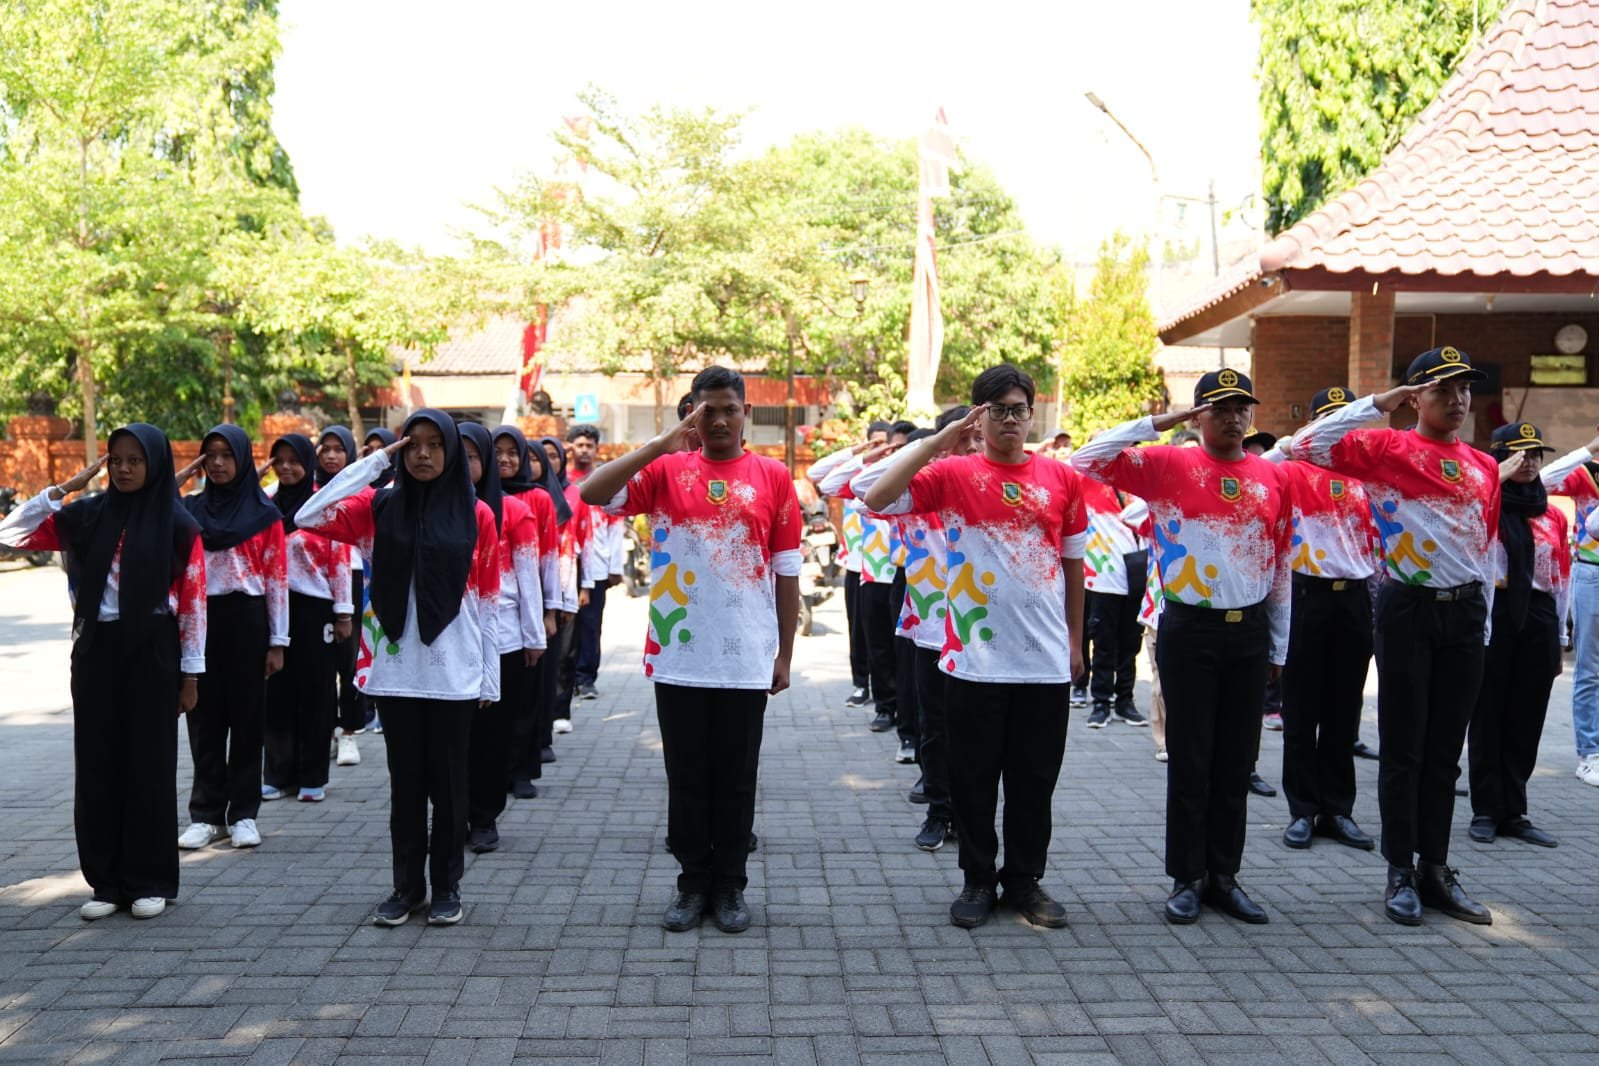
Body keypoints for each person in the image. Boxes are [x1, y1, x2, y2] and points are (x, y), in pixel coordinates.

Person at [863, 365, 1086, 930]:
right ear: (978, 415)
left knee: (1034, 782)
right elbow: (876, 496)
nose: (1009, 420)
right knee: (972, 778)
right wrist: (941, 441)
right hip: (972, 662)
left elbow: (1073, 565)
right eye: (997, 410)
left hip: (1043, 662)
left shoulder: (1062, 479)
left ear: (1031, 415)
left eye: (1018, 409)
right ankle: (978, 880)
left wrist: (1076, 641)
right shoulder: (953, 474)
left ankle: (1025, 883)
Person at [579, 366, 801, 934]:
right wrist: (658, 445)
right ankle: (691, 883)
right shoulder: (666, 471)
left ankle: (729, 885)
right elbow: (592, 492)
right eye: (707, 410)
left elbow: (786, 571)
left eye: (729, 408)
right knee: (687, 776)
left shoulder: (773, 477)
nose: (719, 419)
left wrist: (783, 656)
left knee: (735, 776)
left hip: (746, 656)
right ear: (691, 414)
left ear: (745, 412)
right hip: (679, 653)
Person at [1287, 346, 1499, 927]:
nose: (1456, 400)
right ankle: (1400, 870)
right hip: (1407, 608)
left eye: (1463, 390)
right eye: (1441, 390)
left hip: (1465, 614)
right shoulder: (1388, 448)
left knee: (1443, 753)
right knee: (1404, 749)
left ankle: (1436, 867)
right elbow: (1306, 445)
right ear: (1414, 397)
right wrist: (1375, 405)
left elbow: (1484, 545)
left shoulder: (1483, 465)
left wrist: (1484, 623)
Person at [1072, 369, 1292, 927]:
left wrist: (1279, 643)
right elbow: (1088, 459)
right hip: (1189, 627)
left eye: (1241, 405)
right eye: (1218, 406)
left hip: (1249, 630)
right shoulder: (1169, 465)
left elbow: (1281, 560)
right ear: (1197, 416)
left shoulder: (1273, 476)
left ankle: (1225, 875)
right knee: (1191, 757)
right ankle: (1186, 877)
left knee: (1237, 758)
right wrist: (1158, 422)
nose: (1232, 415)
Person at [296, 410, 501, 927]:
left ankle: (447, 887)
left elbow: (487, 602)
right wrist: (373, 464)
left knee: (451, 789)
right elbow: (308, 515)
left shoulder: (477, 515)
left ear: (452, 452)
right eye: (413, 445)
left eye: (436, 445)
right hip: (395, 672)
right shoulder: (377, 505)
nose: (425, 455)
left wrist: (490, 679)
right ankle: (405, 888)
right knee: (405, 787)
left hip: (455, 673)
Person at [0, 426, 205, 920]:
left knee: (149, 767)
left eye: (136, 460)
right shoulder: (86, 515)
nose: (125, 468)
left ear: (154, 464)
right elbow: (10, 533)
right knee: (97, 766)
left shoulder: (179, 526)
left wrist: (191, 675)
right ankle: (106, 883)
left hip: (154, 649)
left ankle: (150, 879)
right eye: (116, 460)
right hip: (95, 651)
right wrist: (65, 488)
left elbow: (194, 604)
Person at [856, 406, 981, 852]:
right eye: (961, 439)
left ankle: (971, 818)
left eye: (976, 440)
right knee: (935, 727)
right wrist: (928, 447)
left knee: (977, 734)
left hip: (982, 633)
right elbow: (857, 487)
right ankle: (938, 811)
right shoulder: (918, 493)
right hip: (931, 628)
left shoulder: (992, 490)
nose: (970, 449)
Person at [1264, 388, 1379, 853]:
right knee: (1301, 709)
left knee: (1343, 710)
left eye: (1343, 419)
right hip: (1305, 594)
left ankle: (1339, 808)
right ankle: (1302, 809)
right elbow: (1260, 467)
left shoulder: (1364, 476)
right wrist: (1286, 445)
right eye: (1326, 420)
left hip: (1353, 596)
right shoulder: (1290, 470)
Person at [177, 425, 288, 852]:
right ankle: (206, 815)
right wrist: (186, 473)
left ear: (243, 460)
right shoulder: (188, 512)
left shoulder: (265, 516)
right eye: (210, 456)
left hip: (247, 620)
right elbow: (154, 500)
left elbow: (277, 578)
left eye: (227, 455)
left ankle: (243, 813)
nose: (218, 463)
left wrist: (278, 641)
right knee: (202, 721)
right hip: (199, 621)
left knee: (246, 722)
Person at [1466, 422, 1569, 848]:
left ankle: (1515, 810)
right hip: (1497, 610)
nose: (1529, 462)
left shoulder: (1552, 514)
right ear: (1500, 459)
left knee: (1527, 715)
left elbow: (1560, 576)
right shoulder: (1483, 507)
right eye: (1520, 454)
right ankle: (1487, 809)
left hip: (1540, 614)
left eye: (1535, 455)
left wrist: (1560, 635)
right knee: (1489, 711)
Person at [459, 422, 545, 853]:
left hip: (504, 637)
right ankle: (454, 816)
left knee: (492, 736)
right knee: (452, 739)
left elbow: (529, 577)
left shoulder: (513, 510)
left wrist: (534, 638)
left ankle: (484, 818)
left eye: (472, 456)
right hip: (447, 643)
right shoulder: (425, 507)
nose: (462, 463)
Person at [261, 434, 352, 804]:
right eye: (278, 460)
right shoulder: (263, 505)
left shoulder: (323, 504)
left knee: (315, 693)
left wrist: (344, 612)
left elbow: (341, 558)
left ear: (307, 463)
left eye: (293, 460)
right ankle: (278, 774)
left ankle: (313, 775)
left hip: (316, 609)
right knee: (276, 694)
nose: (286, 467)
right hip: (272, 609)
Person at [492, 425, 565, 791]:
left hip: (529, 607)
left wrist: (549, 612)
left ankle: (521, 771)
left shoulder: (537, 498)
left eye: (512, 452)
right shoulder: (471, 495)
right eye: (496, 451)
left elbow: (550, 557)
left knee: (526, 697)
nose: (504, 459)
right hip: (493, 612)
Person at [818, 423, 900, 732]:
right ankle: (882, 704)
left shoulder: (917, 479)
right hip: (872, 571)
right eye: (883, 446)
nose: (890, 451)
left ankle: (904, 716)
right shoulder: (866, 478)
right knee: (874, 644)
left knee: (900, 652)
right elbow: (824, 481)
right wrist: (862, 455)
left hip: (909, 576)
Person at [1538, 427, 1599, 787]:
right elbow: (1542, 482)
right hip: (1592, 573)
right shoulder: (1587, 473)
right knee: (1590, 670)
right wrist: (1585, 451)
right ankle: (1590, 753)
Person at [1079, 471, 1148, 729]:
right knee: (1103, 643)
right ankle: (1100, 702)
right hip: (1103, 580)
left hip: (1135, 579)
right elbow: (1081, 459)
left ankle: (1125, 701)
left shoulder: (1142, 486)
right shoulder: (1087, 483)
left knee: (1130, 645)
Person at [317, 426, 366, 766]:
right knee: (319, 667)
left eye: (339, 449)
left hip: (352, 574)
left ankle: (348, 732)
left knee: (349, 659)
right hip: (315, 582)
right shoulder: (309, 490)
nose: (332, 455)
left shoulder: (361, 490)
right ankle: (323, 732)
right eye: (326, 449)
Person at [566, 424, 625, 702]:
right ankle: (567, 677)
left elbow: (616, 527)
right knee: (568, 626)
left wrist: (616, 568)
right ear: (571, 448)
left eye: (590, 446)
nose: (585, 450)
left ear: (597, 449)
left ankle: (586, 678)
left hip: (599, 567)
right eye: (580, 445)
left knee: (591, 625)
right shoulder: (563, 482)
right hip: (568, 566)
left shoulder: (606, 480)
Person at [541, 436, 591, 737]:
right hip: (539, 580)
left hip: (569, 575)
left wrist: (584, 586)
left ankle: (561, 709)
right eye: (540, 456)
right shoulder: (530, 493)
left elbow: (585, 541)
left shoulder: (575, 494)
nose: (547, 462)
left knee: (566, 650)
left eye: (553, 456)